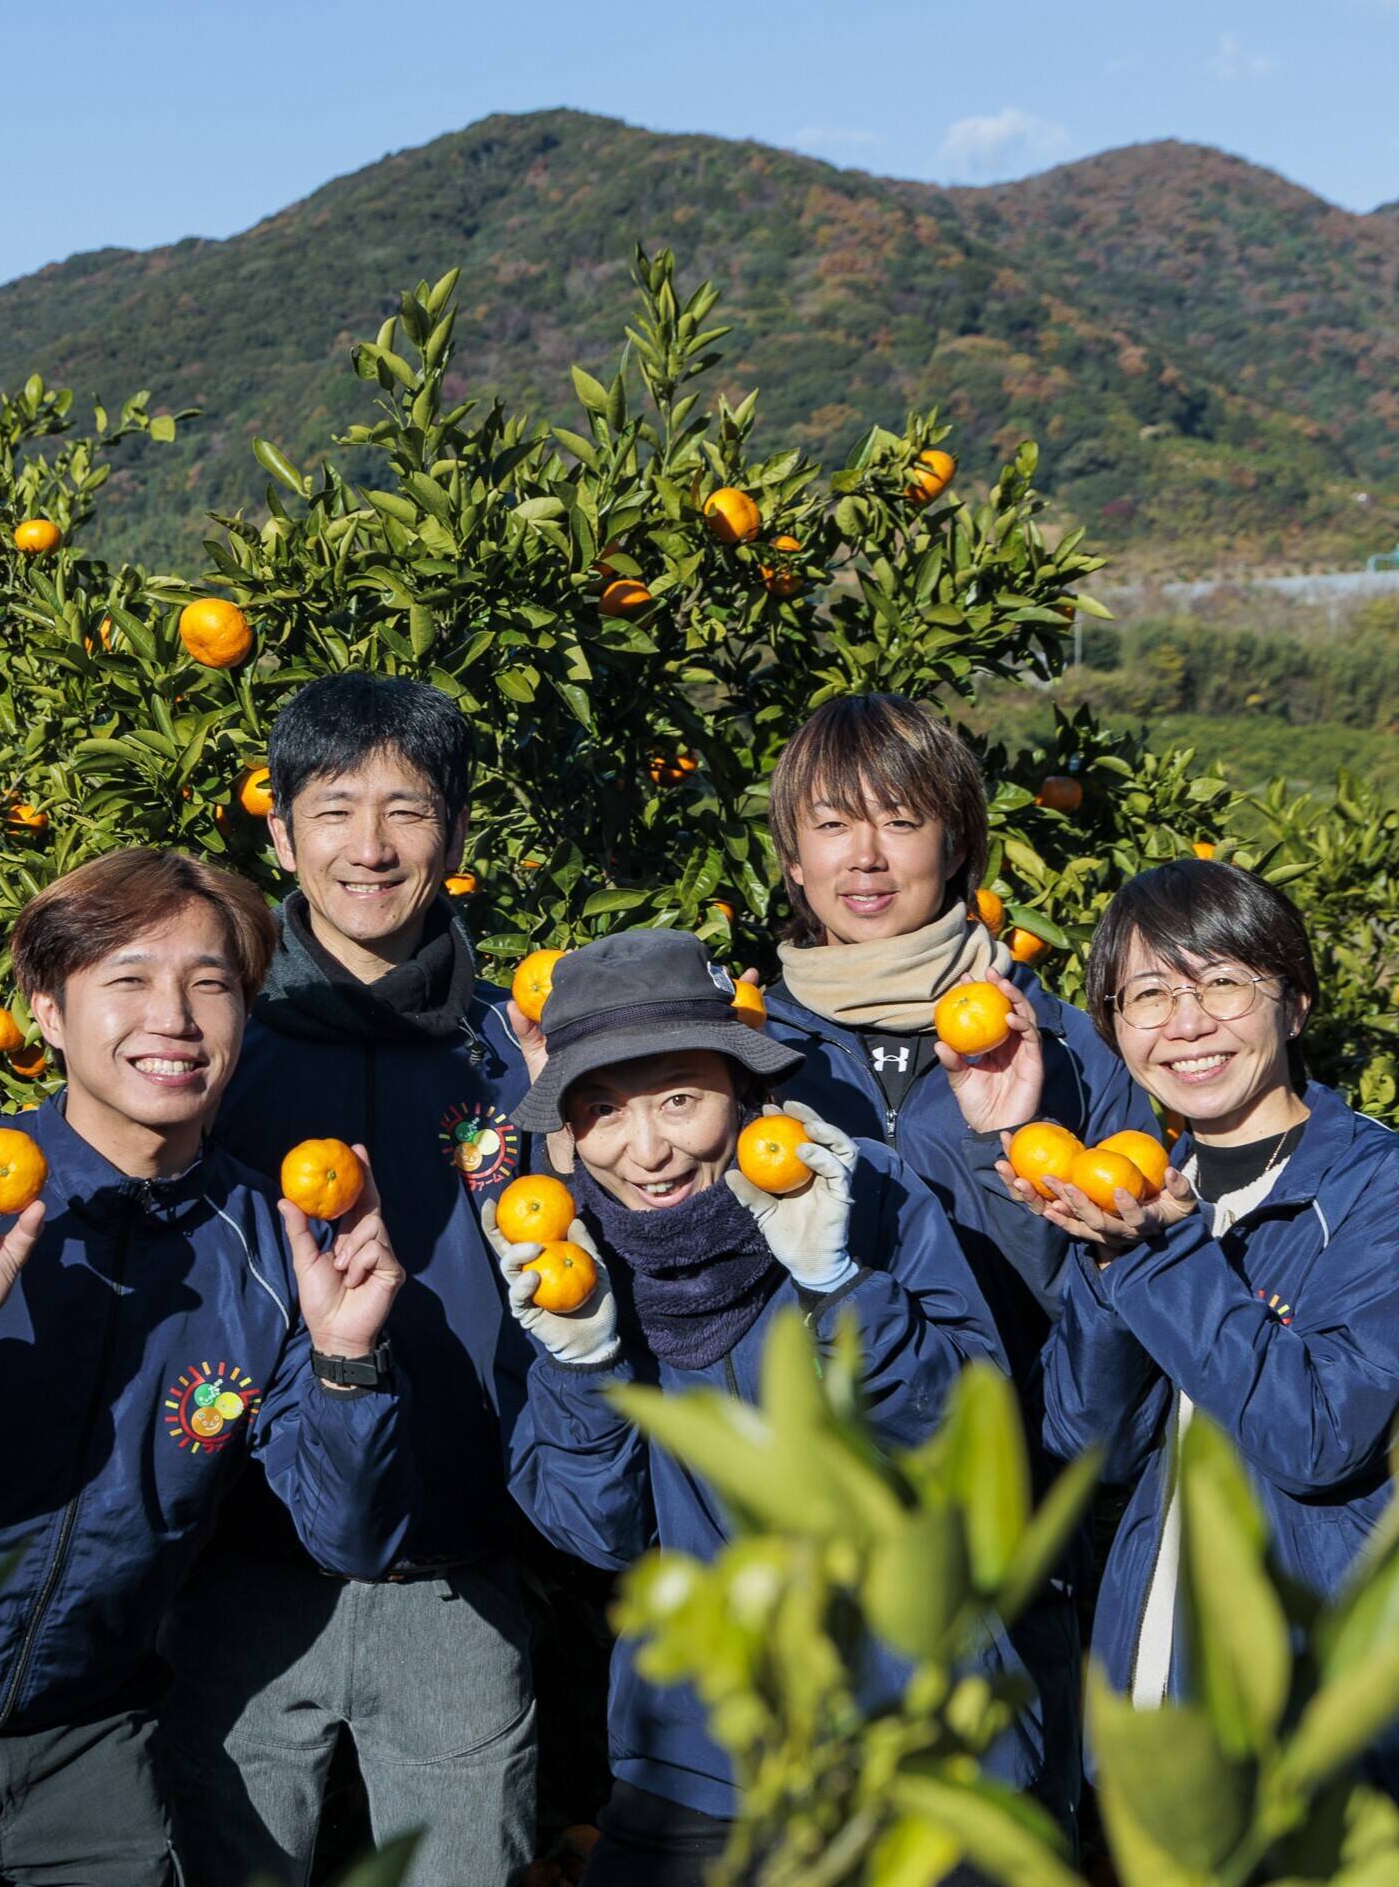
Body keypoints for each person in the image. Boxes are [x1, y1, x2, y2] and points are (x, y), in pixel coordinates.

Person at [0, 848, 414, 1887]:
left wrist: (348, 1359)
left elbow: (350, 1534)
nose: (174, 1017)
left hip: (87, 1745)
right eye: (129, 977)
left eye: (209, 982)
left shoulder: (276, 1252)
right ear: (46, 1011)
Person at [491, 929, 1034, 1885]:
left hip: (921, 1736)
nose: (646, 1148)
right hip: (700, 1762)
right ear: (568, 1136)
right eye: (604, 1110)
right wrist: (584, 1369)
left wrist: (840, 1290)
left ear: (743, 1095)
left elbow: (967, 1440)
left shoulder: (858, 1191)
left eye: (679, 1098)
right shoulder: (576, 1265)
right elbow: (596, 1533)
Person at [158, 674, 539, 1887]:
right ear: (276, 832)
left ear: (456, 835)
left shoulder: (519, 1054)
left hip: (460, 1579)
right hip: (236, 1580)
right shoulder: (211, 1051)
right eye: (331, 809)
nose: (367, 848)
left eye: (406, 811)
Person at [757, 696, 1157, 1838]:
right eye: (833, 824)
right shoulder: (741, 1052)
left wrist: (1004, 1149)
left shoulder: (1066, 1050)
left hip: (1007, 1549)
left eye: (900, 817)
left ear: (958, 841)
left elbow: (1110, 1315)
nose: (866, 856)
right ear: (791, 855)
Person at [1035, 859, 1399, 1776]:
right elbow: (1092, 1450)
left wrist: (1158, 1258)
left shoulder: (1375, 1192)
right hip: (1151, 1713)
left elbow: (1318, 1434)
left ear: (1297, 1003)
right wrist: (1115, 1249)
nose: (1186, 1024)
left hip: (1317, 1734)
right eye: (1147, 995)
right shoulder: (1134, 1193)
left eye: (1224, 983)